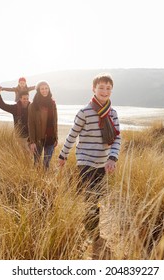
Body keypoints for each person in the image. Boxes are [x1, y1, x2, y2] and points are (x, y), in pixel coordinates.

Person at [57, 73, 121, 258]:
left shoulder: (113, 113)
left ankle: (88, 228)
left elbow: (117, 139)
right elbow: (72, 135)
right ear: (94, 89)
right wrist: (63, 155)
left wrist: (113, 158)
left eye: (108, 88)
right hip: (85, 161)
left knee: (96, 199)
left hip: (103, 163)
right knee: (91, 198)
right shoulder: (84, 112)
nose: (104, 91)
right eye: (101, 87)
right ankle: (94, 235)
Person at [28, 80, 58, 169]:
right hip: (38, 139)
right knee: (36, 163)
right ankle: (35, 182)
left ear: (49, 89)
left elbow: (55, 122)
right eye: (42, 89)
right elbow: (31, 124)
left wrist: (56, 137)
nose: (44, 90)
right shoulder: (33, 105)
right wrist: (32, 141)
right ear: (38, 90)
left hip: (50, 138)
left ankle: (44, 182)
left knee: (46, 164)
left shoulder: (53, 103)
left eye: (46, 88)